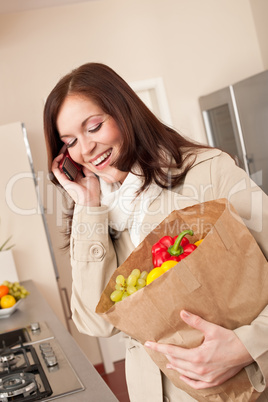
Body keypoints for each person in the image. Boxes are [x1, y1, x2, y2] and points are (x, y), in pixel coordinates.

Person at [43, 62, 268, 401]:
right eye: (71, 141)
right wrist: (89, 207)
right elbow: (97, 324)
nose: (85, 150)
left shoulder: (207, 172)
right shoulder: (98, 215)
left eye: (94, 127)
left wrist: (246, 346)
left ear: (125, 113)